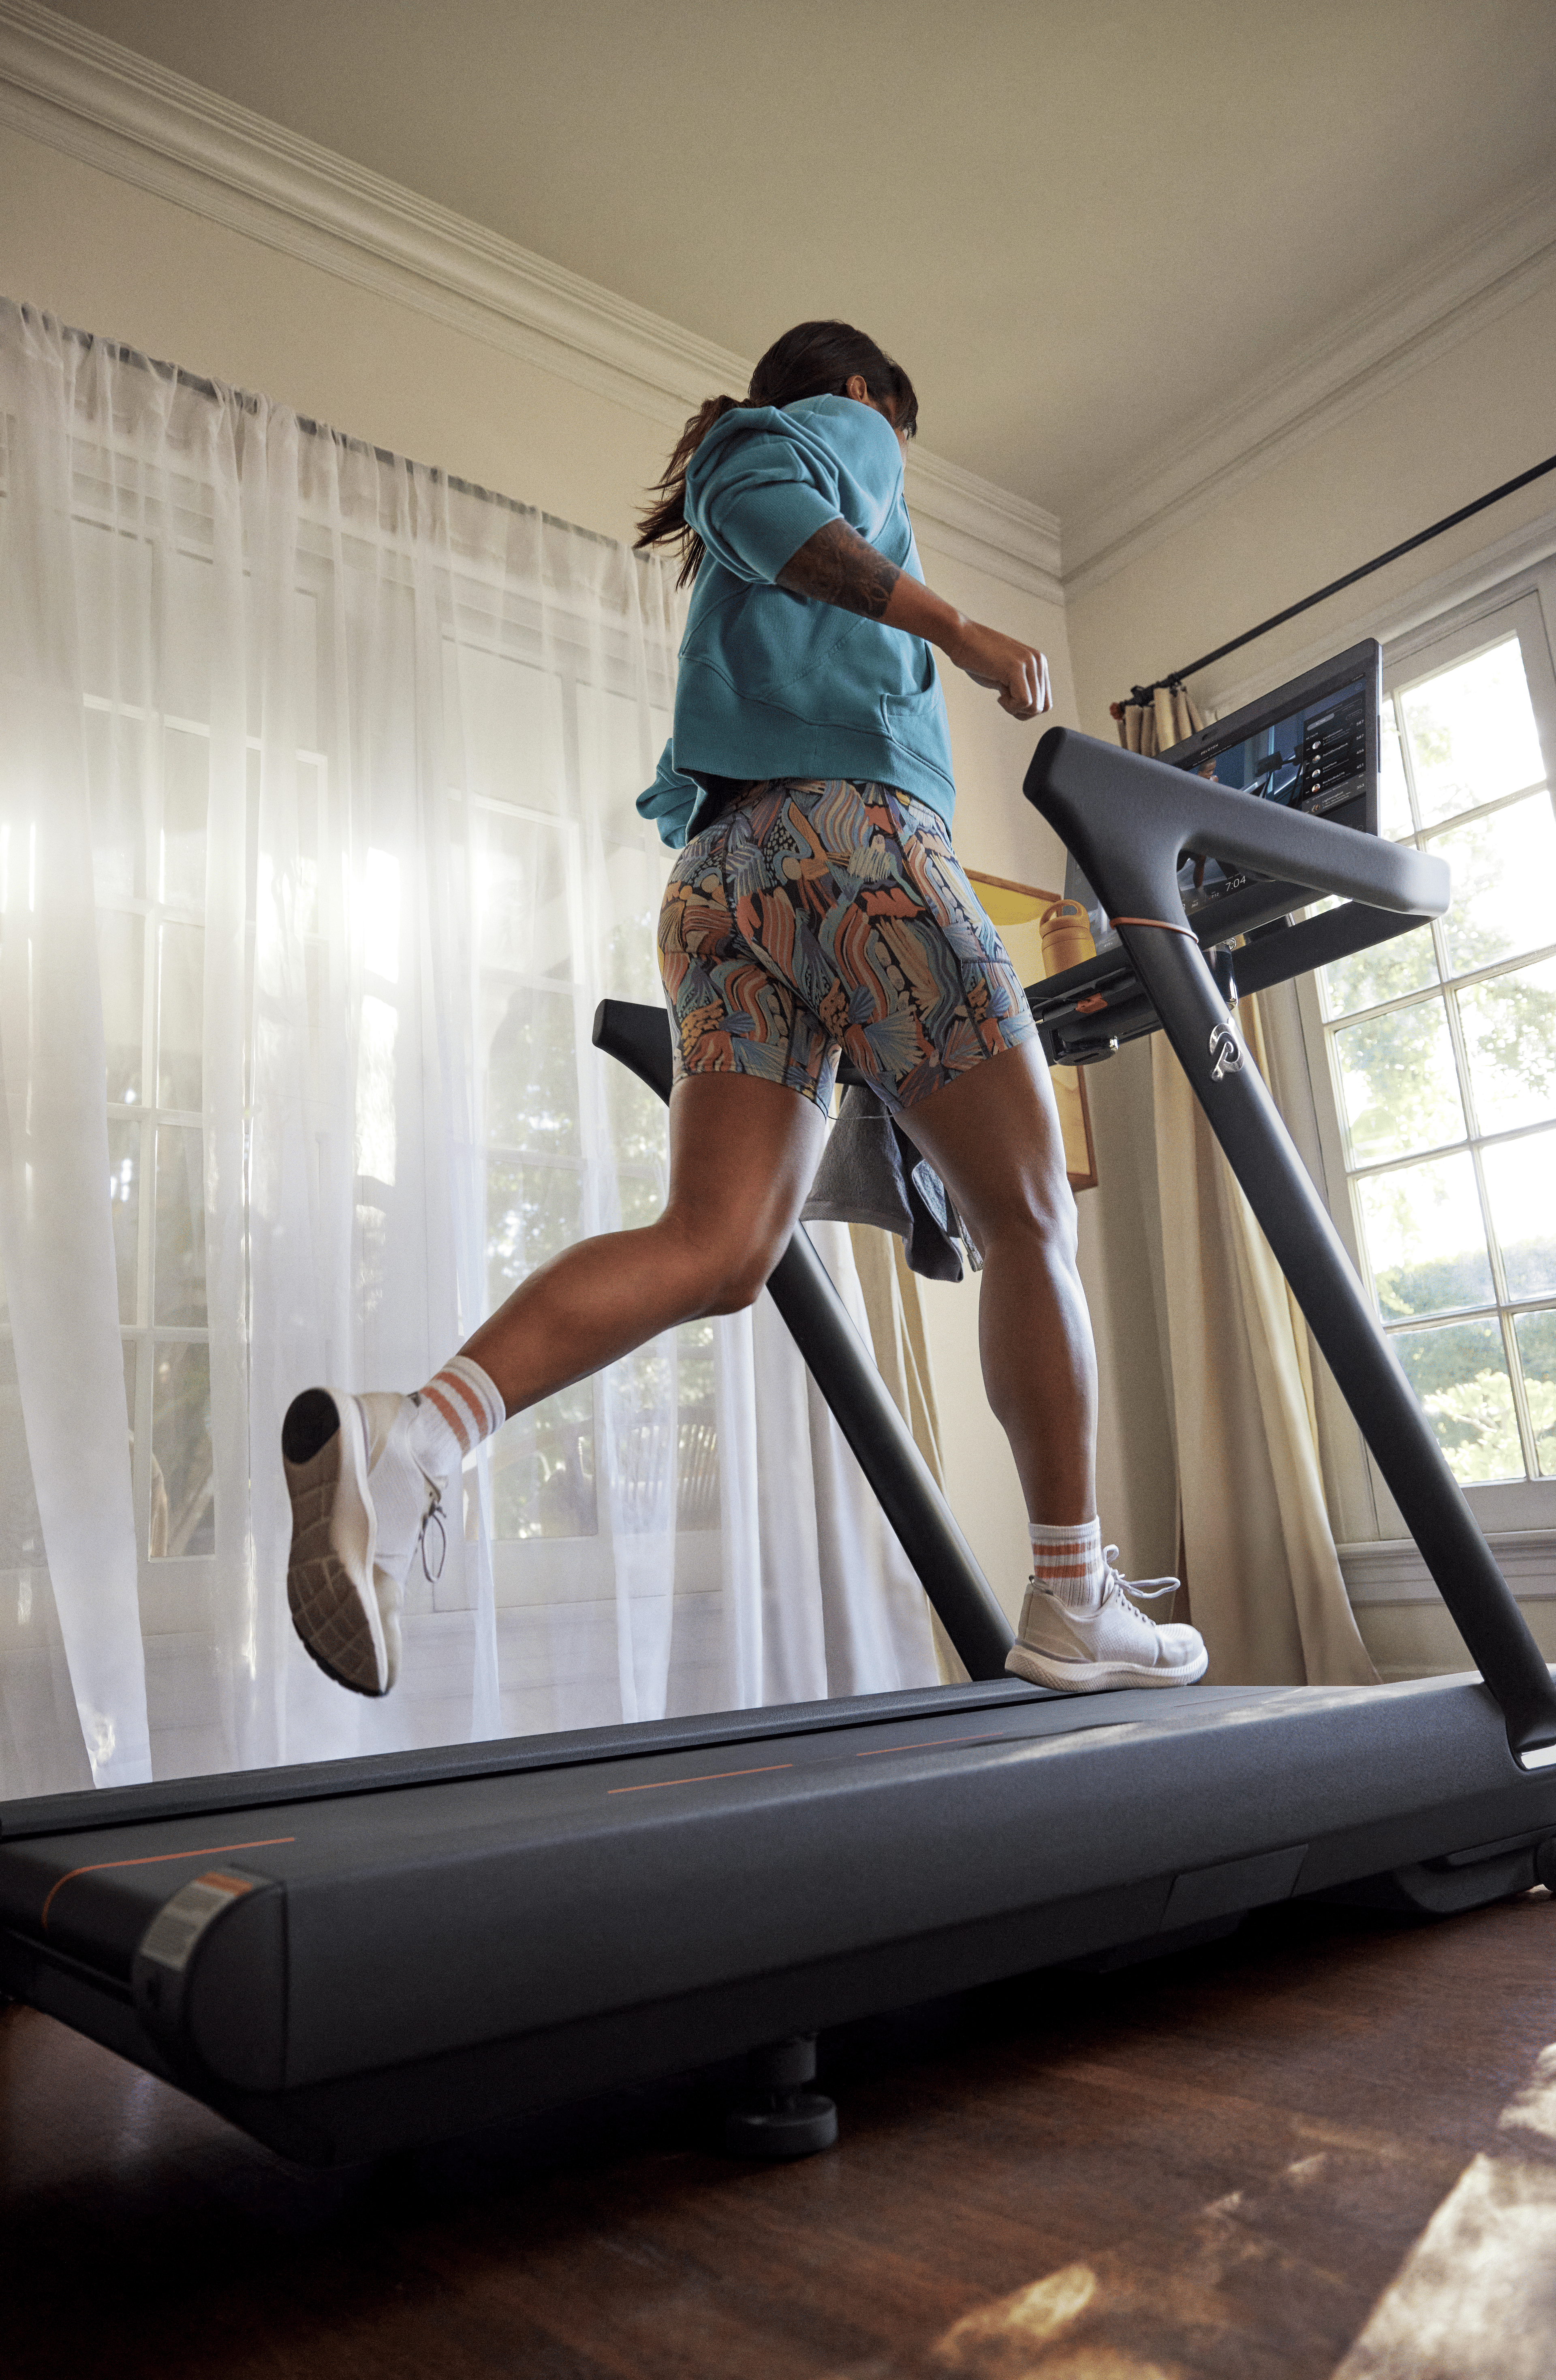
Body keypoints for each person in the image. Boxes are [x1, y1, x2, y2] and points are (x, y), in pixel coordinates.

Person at [282, 320, 1207, 1702]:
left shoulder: (745, 508)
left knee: (717, 1248)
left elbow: (754, 531)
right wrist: (952, 623)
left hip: (721, 885)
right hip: (856, 839)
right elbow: (773, 512)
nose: (894, 457)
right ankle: (1075, 1596)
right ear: (861, 396)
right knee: (1028, 1215)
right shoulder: (809, 437)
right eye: (893, 426)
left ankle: (419, 1434)